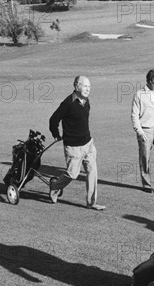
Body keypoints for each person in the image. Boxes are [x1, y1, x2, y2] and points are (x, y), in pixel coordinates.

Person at [49, 76, 105, 210]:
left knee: (92, 172)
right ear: (76, 86)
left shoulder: (86, 101)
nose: (88, 89)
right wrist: (56, 135)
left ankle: (91, 203)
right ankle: (55, 186)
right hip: (73, 147)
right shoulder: (68, 103)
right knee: (72, 174)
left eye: (89, 87)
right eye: (85, 86)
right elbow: (53, 120)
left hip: (88, 144)